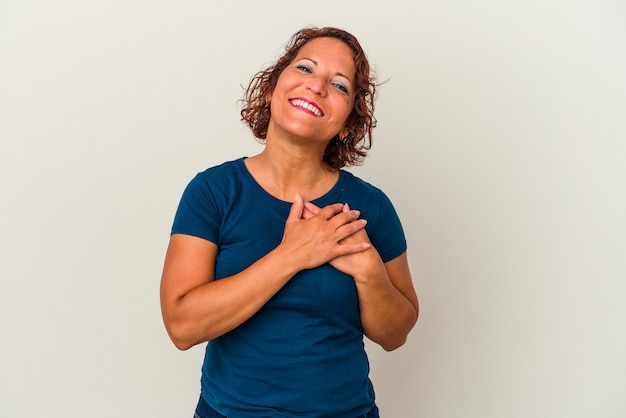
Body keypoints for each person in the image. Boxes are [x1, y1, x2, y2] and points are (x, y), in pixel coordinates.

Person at [160, 26, 419, 418]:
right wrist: (292, 255)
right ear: (271, 88)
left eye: (339, 84)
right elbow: (182, 327)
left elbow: (395, 334)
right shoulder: (212, 192)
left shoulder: (371, 206)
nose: (317, 86)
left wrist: (369, 272)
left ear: (347, 123)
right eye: (305, 68)